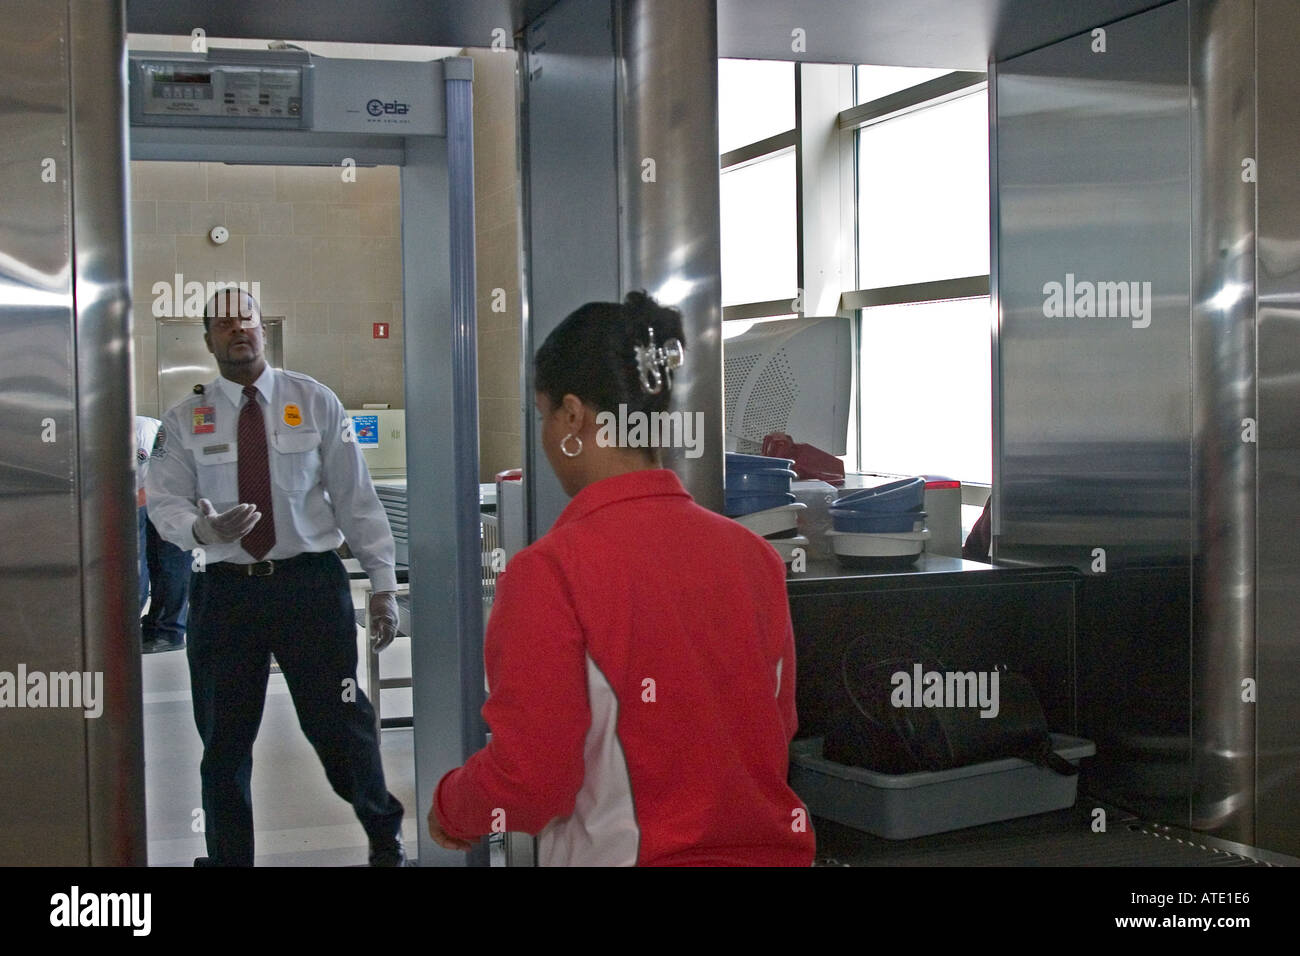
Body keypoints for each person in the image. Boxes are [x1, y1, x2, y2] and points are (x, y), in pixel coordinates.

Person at [428, 291, 816, 866]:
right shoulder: (753, 556)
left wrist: (451, 808)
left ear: (573, 415)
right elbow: (773, 727)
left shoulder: (550, 574)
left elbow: (531, 778)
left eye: (542, 416)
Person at [146, 288, 406, 866]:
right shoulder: (186, 418)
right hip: (225, 595)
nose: (240, 330)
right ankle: (228, 861)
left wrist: (383, 586)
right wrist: (201, 531)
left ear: (263, 330)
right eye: (226, 324)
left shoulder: (314, 402)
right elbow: (163, 502)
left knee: (341, 726)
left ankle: (385, 840)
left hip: (309, 587)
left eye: (249, 321)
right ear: (208, 338)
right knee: (224, 743)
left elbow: (356, 500)